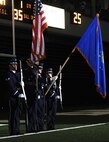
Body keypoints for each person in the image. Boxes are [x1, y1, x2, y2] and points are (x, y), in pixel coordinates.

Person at [5, 57, 23, 135]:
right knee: (12, 114)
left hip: (18, 96)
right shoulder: (8, 74)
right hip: (12, 97)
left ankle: (17, 129)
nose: (15, 65)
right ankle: (12, 130)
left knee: (17, 114)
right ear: (10, 65)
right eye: (14, 64)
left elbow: (19, 83)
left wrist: (22, 84)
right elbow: (10, 85)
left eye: (16, 64)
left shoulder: (18, 74)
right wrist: (17, 93)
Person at [24, 58, 38, 133]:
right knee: (29, 110)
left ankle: (33, 127)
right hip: (28, 91)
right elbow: (32, 73)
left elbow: (37, 78)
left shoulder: (35, 68)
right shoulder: (26, 69)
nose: (31, 63)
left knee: (33, 110)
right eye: (29, 62)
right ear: (27, 62)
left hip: (34, 91)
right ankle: (29, 127)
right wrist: (34, 67)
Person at [36, 63, 45, 131]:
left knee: (42, 112)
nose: (40, 70)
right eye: (39, 68)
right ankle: (38, 127)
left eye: (41, 69)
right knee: (38, 112)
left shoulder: (41, 77)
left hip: (42, 97)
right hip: (37, 97)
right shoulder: (36, 77)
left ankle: (41, 126)